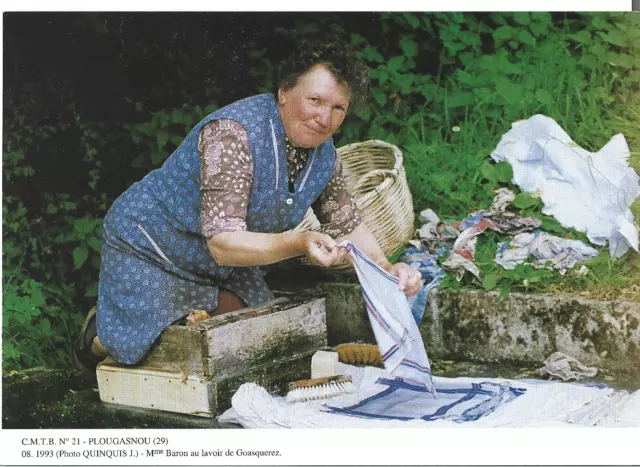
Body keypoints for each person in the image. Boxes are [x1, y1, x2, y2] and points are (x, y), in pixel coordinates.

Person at [75, 39, 423, 369]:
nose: (325, 118)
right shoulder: (232, 135)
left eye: (338, 108)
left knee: (253, 337)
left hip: (216, 262)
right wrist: (298, 243)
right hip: (152, 244)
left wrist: (386, 268)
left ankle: (133, 319)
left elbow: (346, 225)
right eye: (315, 100)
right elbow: (225, 245)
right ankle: (98, 335)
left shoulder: (325, 157)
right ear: (284, 93)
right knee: (155, 345)